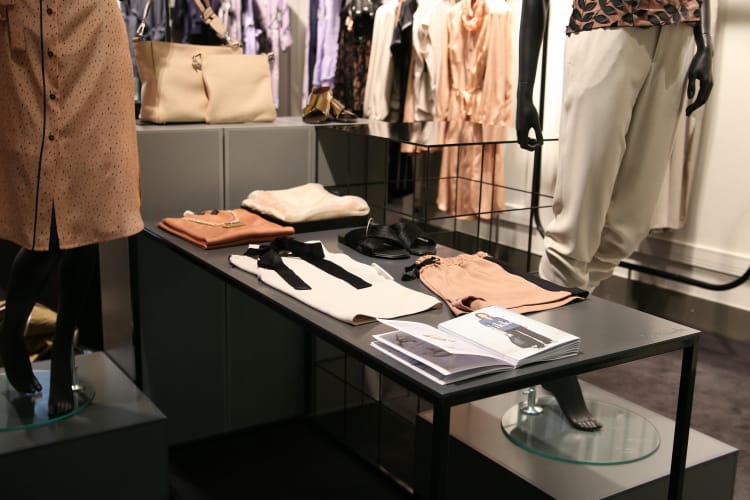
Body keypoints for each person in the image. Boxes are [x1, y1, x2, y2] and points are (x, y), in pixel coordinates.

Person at [515, 0, 713, 431]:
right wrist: (524, 88)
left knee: (630, 223)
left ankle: (550, 331)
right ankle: (555, 358)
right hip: (605, 28)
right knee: (578, 218)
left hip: (677, 35)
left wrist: (705, 41)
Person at [0, 2, 144, 418]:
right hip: (28, 21)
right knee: (44, 222)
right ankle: (12, 330)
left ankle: (64, 349)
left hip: (93, 26)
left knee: (88, 208)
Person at [475, 312, 552, 349]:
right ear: (480, 317)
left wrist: (521, 325)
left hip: (515, 326)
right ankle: (539, 344)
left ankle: (547, 340)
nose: (483, 315)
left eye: (483, 314)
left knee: (531, 333)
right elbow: (493, 328)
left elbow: (509, 322)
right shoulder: (482, 321)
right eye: (481, 315)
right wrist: (504, 333)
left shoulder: (496, 317)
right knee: (523, 337)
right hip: (507, 330)